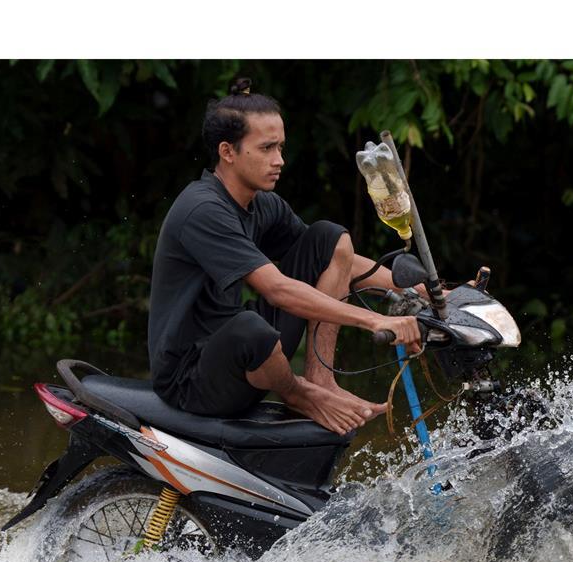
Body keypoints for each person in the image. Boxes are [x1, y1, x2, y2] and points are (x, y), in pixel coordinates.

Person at [147, 79, 422, 436]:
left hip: (243, 351)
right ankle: (298, 393)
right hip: (192, 379)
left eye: (280, 147)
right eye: (266, 148)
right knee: (250, 327)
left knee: (330, 237)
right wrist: (373, 321)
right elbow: (277, 290)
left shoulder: (262, 204)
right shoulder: (202, 209)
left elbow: (339, 259)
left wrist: (423, 292)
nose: (279, 160)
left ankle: (321, 381)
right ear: (227, 151)